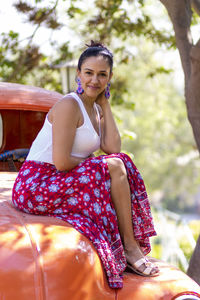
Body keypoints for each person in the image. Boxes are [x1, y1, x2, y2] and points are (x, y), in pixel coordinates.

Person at [12, 41, 159, 289]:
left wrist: (105, 105)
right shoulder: (70, 105)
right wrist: (96, 165)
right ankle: (129, 247)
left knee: (118, 162)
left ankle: (127, 246)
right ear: (79, 73)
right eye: (89, 73)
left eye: (102, 75)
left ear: (110, 77)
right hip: (36, 184)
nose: (95, 80)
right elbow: (60, 162)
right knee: (113, 166)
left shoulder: (95, 109)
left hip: (61, 179)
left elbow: (113, 148)